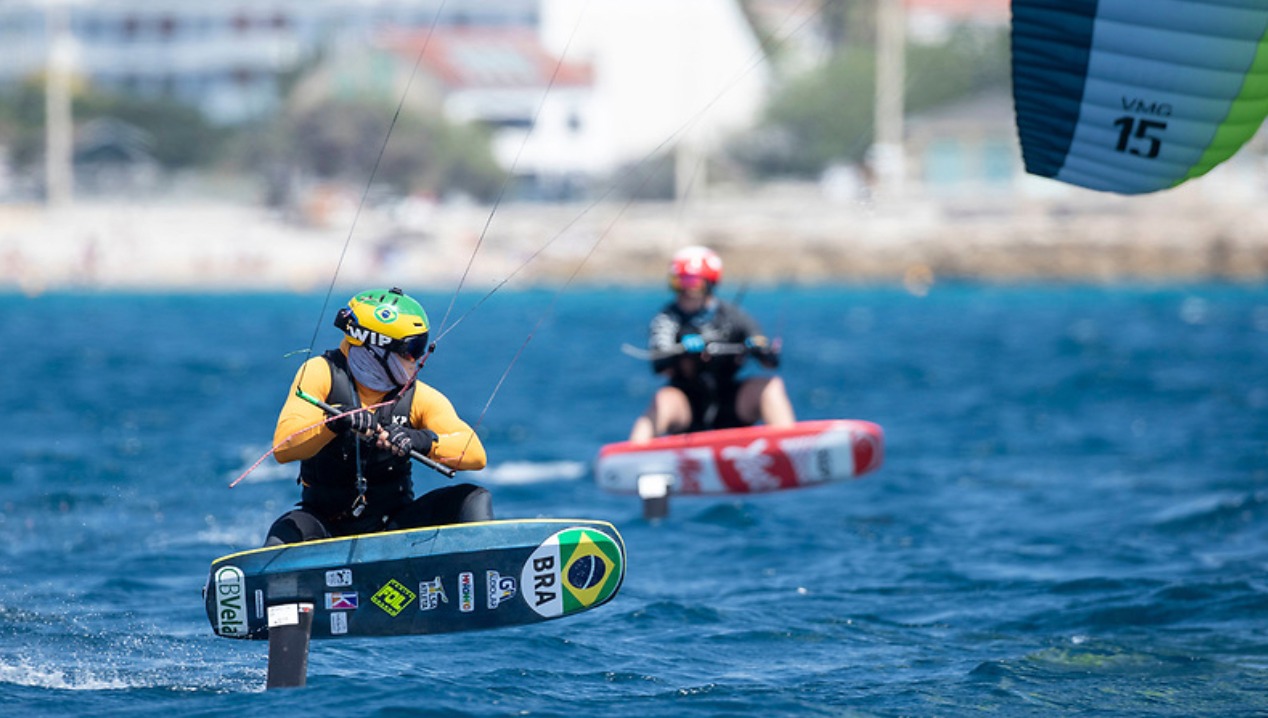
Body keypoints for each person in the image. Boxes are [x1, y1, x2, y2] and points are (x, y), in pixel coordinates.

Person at [264, 287, 490, 546]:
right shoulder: (319, 373)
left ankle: (488, 573)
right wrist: (335, 423)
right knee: (284, 533)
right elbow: (283, 448)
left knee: (473, 498)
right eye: (411, 348)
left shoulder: (419, 397)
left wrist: (419, 440)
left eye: (422, 345)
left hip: (393, 525)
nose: (416, 359)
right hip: (323, 524)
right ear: (374, 347)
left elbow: (475, 454)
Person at [629, 246, 796, 443]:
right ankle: (632, 453)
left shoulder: (732, 316)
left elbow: (769, 360)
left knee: (771, 387)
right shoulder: (666, 319)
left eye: (691, 282)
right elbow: (660, 365)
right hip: (687, 404)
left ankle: (789, 446)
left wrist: (760, 350)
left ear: (709, 283)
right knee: (663, 399)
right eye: (677, 282)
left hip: (730, 400)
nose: (684, 290)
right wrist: (682, 352)